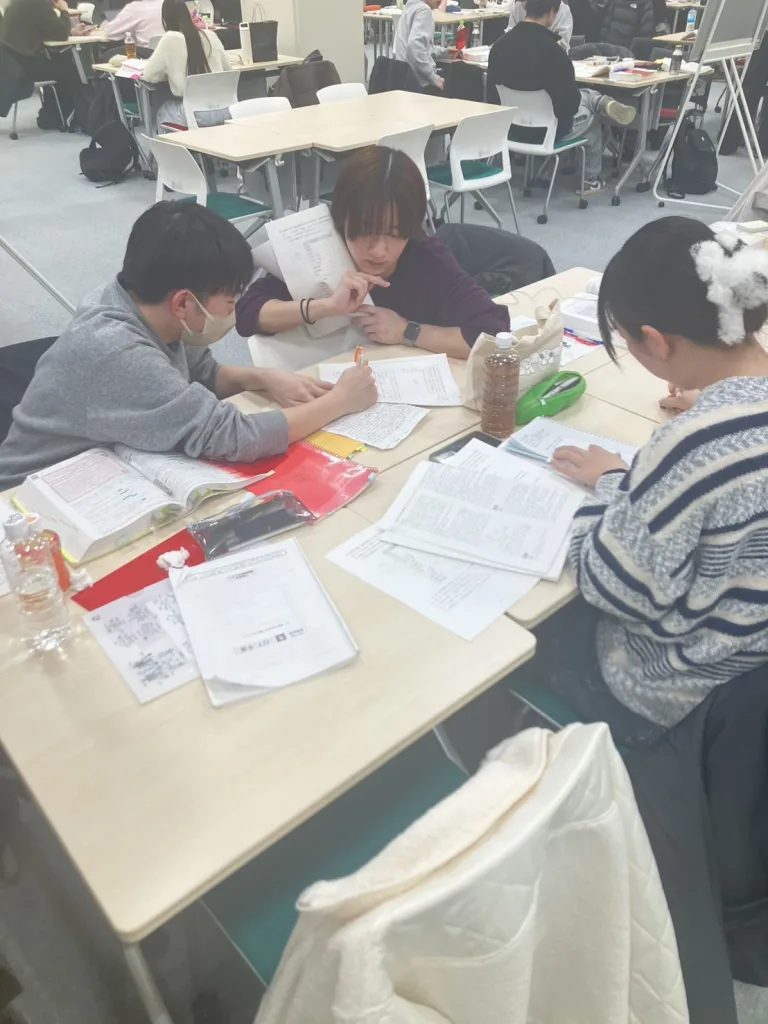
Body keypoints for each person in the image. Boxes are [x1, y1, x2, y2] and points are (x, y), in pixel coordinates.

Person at [545, 217, 768, 736]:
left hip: (680, 686)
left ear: (655, 341)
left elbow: (616, 588)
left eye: (625, 340)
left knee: (540, 625)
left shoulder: (691, 445)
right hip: (751, 656)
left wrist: (610, 487)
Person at [0, 203, 376, 489]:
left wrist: (263, 378)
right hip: (32, 496)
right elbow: (235, 437)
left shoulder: (139, 299)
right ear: (183, 303)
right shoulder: (119, 350)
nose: (232, 311)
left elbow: (200, 373)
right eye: (229, 301)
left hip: (99, 465)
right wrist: (340, 401)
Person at [236, 147, 511, 361]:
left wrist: (407, 331)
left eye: (395, 233)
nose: (379, 251)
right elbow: (248, 314)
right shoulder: (320, 247)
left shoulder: (424, 258)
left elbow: (493, 333)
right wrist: (326, 306)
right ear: (343, 219)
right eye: (365, 232)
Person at [487, 0, 636, 194]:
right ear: (552, 12)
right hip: (547, 132)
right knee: (592, 116)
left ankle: (598, 101)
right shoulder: (555, 52)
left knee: (583, 100)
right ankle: (590, 180)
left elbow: (492, 96)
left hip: (509, 129)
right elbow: (569, 106)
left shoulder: (498, 47)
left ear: (524, 7)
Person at [143, 0, 230, 128]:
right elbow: (228, 69)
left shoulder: (170, 39)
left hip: (195, 114)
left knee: (163, 109)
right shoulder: (210, 35)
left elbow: (149, 75)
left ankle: (170, 141)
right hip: (225, 110)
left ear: (166, 20)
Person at [0, 0, 84, 127]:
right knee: (71, 69)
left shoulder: (17, 3)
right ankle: (64, 117)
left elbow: (39, 29)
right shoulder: (40, 3)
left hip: (10, 61)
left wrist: (71, 32)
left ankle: (51, 116)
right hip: (24, 65)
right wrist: (64, 10)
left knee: (60, 63)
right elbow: (60, 34)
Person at [394, 0, 456, 93]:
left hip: (403, 77)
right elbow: (415, 47)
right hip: (418, 82)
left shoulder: (410, 6)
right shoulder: (424, 10)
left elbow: (422, 48)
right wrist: (434, 78)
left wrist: (444, 52)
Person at [506, 0, 573, 50]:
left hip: (550, 56)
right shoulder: (517, 7)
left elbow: (562, 44)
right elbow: (510, 35)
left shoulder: (561, 9)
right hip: (520, 55)